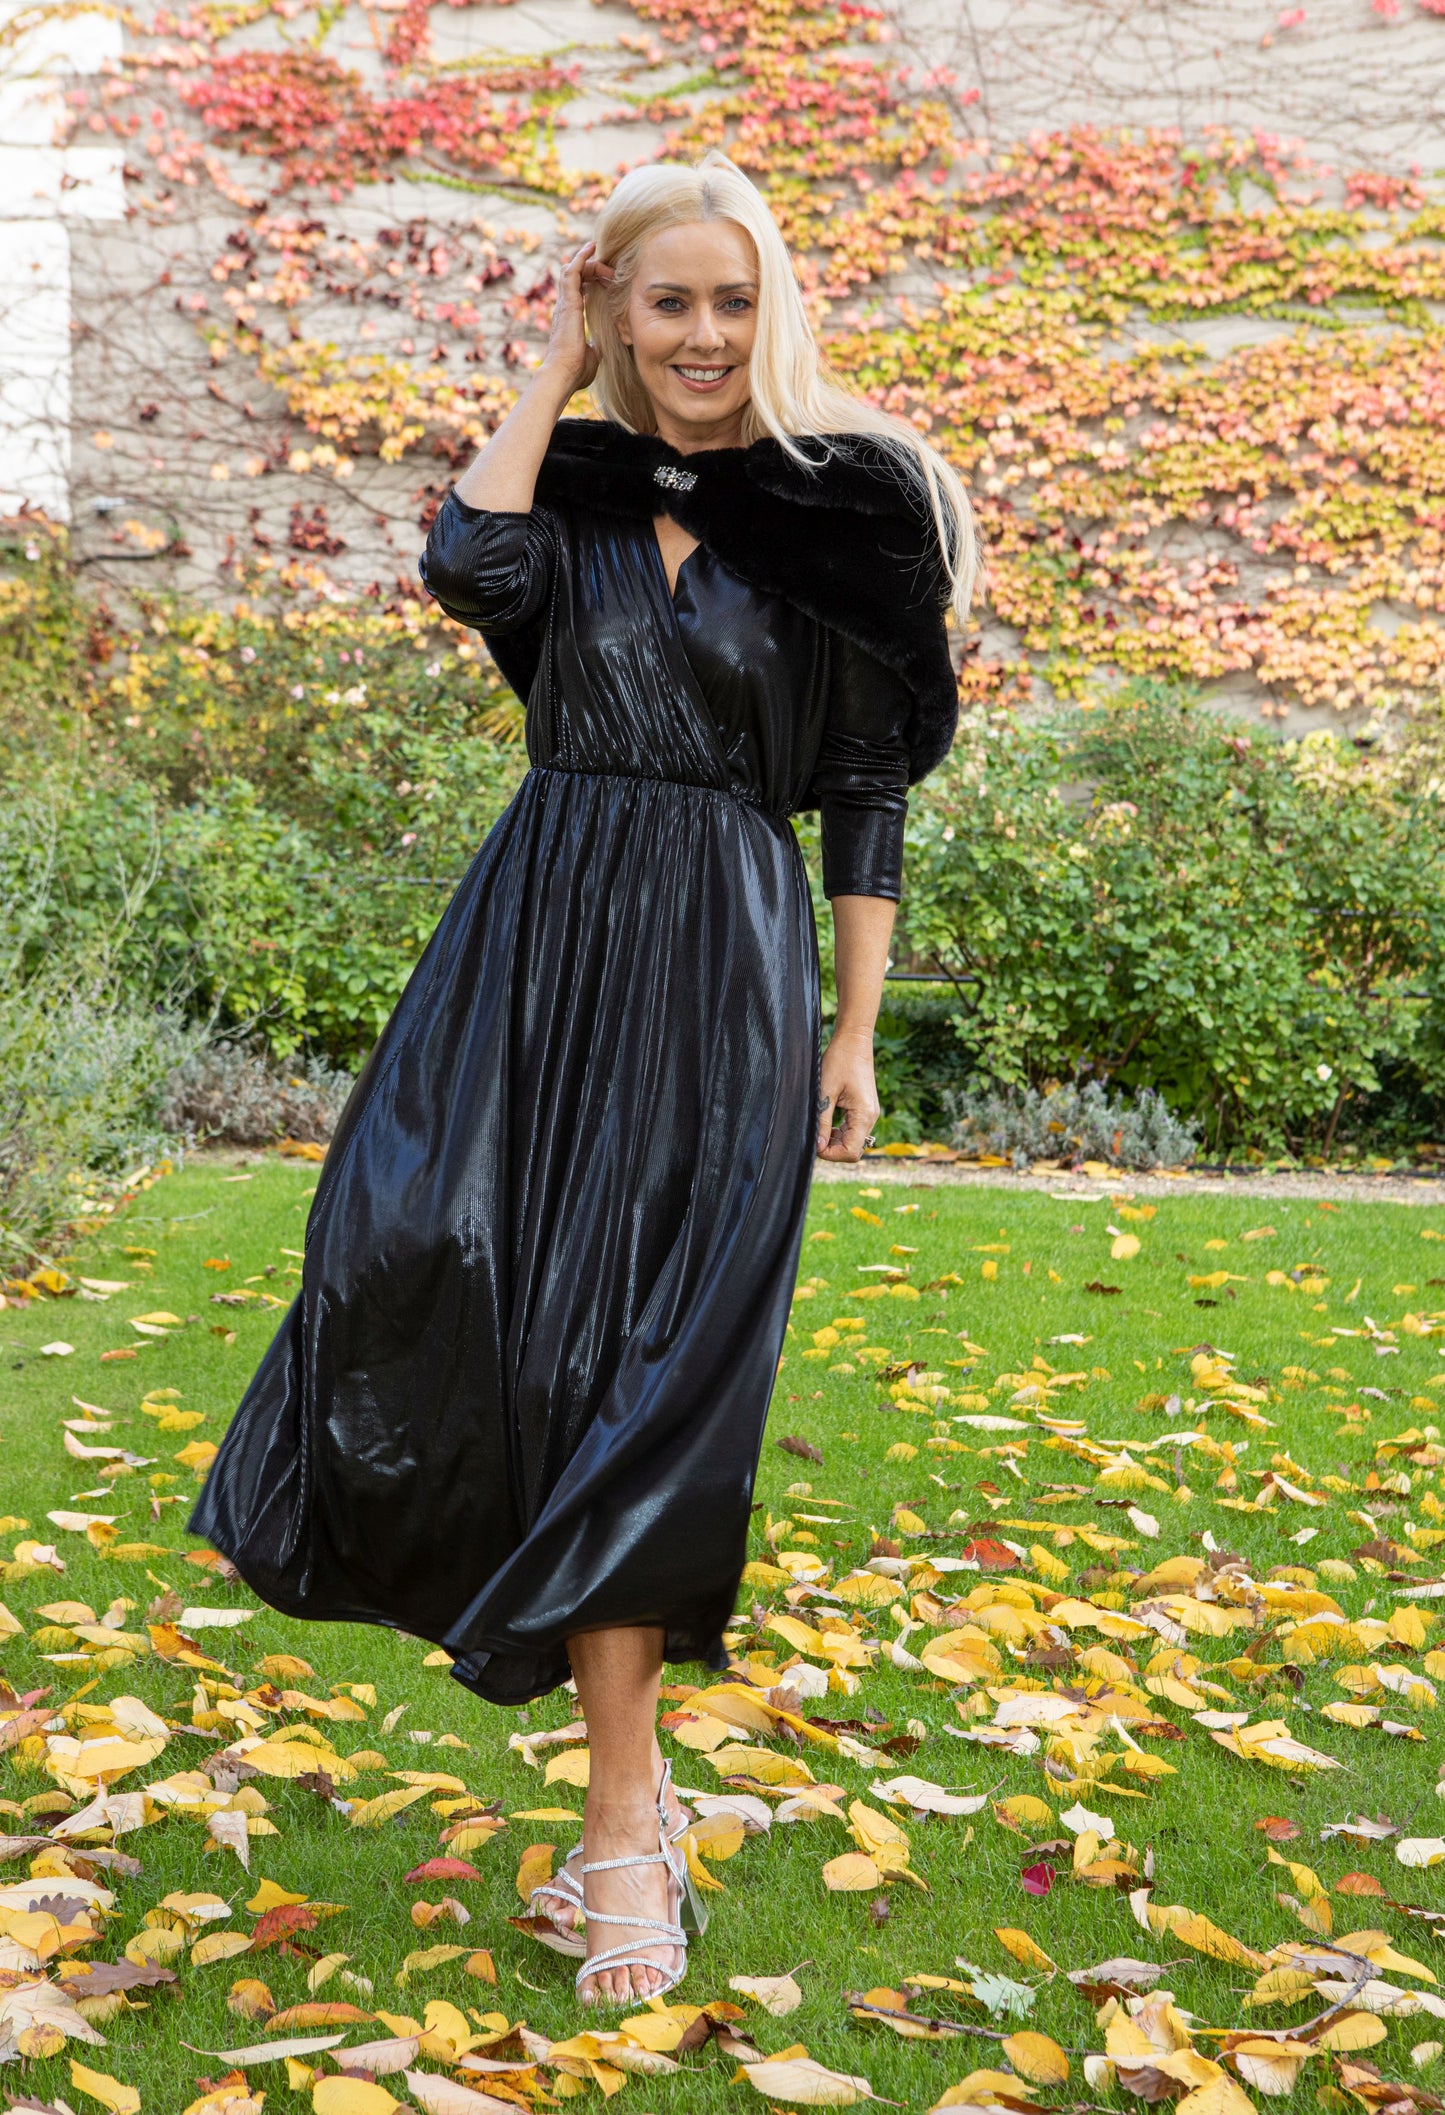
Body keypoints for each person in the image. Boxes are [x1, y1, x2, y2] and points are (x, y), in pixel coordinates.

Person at [189, 147, 977, 2010]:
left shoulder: (854, 505)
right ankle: (624, 1787)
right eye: (664, 299)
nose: (701, 335)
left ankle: (621, 1820)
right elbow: (461, 565)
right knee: (414, 1268)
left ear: (771, 306)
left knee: (647, 1377)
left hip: (720, 964)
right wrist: (553, 369)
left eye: (730, 300)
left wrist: (852, 1032)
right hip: (530, 951)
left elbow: (862, 788)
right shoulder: (567, 495)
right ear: (614, 304)